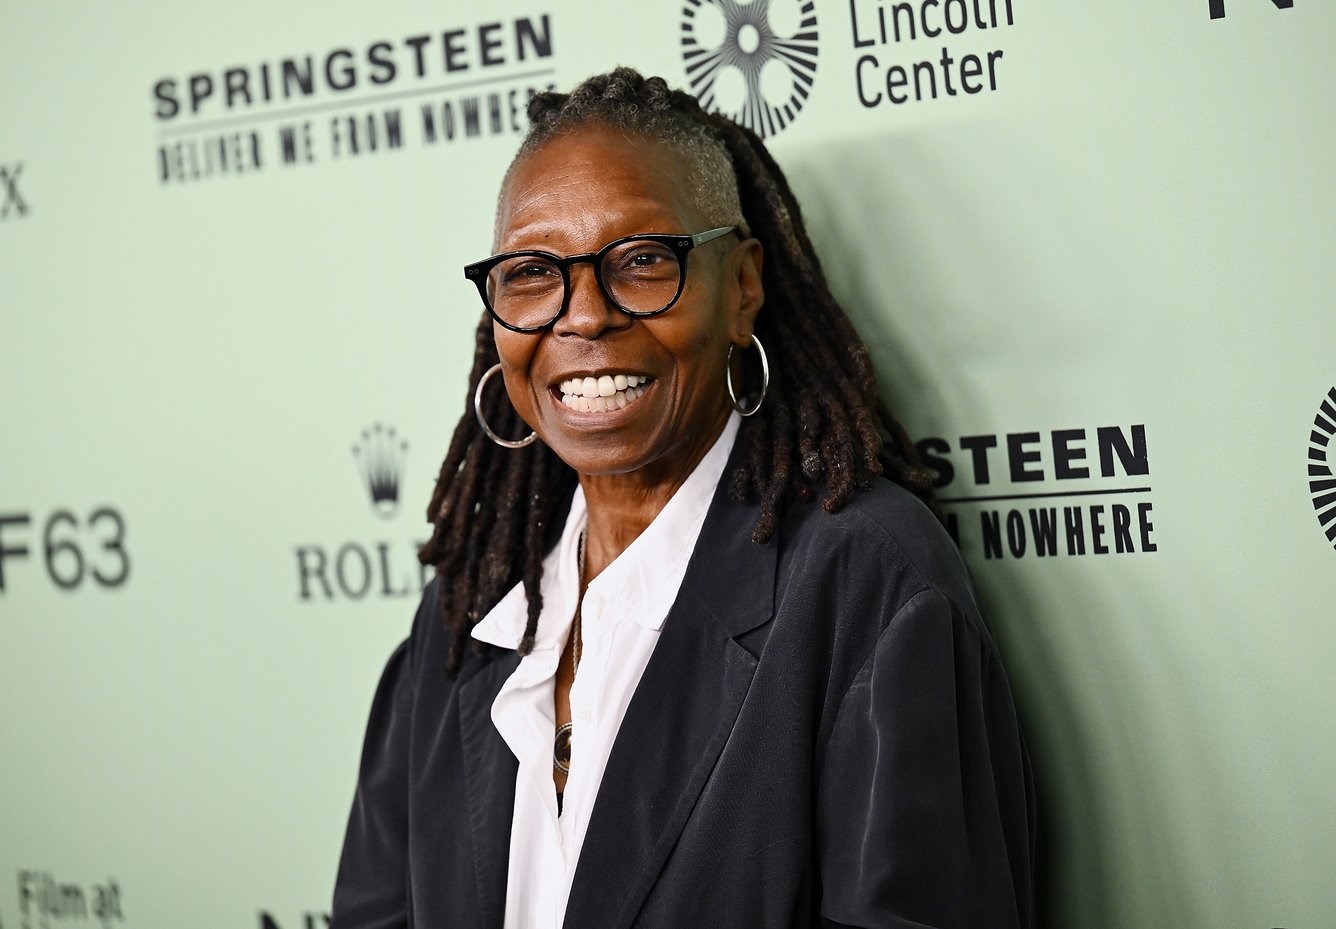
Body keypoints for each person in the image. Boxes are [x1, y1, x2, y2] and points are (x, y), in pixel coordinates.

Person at [332, 67, 1034, 929]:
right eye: (532, 272)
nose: (583, 316)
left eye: (641, 261)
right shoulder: (465, 616)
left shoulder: (867, 581)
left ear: (741, 287)